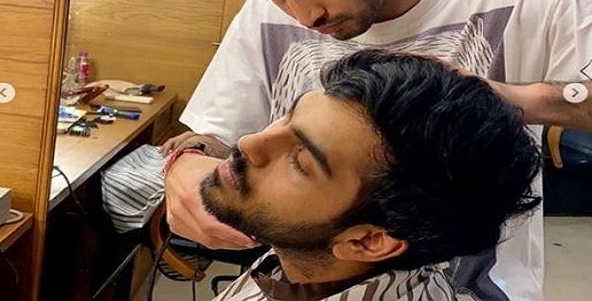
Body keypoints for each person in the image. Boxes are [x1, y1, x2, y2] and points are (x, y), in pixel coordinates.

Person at [162, 0, 592, 300]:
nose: (304, 16)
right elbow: (217, 132)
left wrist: (503, 99)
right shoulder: (265, 17)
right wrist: (188, 162)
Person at [197, 49, 542, 301]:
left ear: (367, 241)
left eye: (301, 162)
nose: (249, 143)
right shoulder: (303, 257)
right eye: (288, 117)